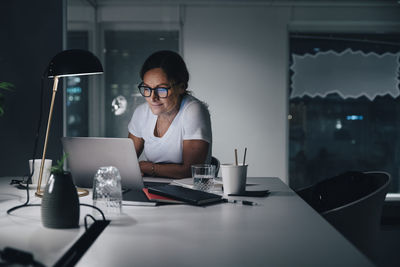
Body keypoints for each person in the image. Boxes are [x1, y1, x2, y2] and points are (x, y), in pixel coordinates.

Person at [128, 50, 212, 179]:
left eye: (161, 89)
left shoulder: (193, 110)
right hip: (153, 188)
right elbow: (126, 163)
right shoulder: (141, 112)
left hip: (189, 193)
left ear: (181, 87)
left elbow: (191, 171)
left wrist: (148, 167)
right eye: (147, 89)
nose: (152, 97)